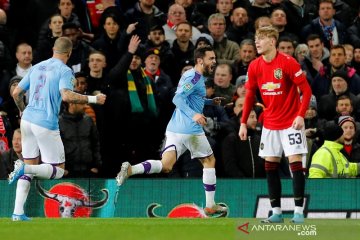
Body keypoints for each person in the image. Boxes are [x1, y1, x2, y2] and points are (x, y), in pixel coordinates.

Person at [115, 46, 227, 216]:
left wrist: (211, 102)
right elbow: (177, 98)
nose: (214, 61)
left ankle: (131, 170)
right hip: (190, 129)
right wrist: (194, 114)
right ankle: (210, 205)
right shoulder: (194, 77)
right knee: (209, 161)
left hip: (175, 128)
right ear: (199, 60)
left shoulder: (192, 77)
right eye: (211, 58)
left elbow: (191, 98)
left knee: (166, 166)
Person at [8, 37, 106, 221]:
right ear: (68, 53)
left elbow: (16, 93)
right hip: (45, 123)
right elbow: (67, 95)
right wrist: (93, 99)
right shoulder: (65, 70)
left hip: (27, 120)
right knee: (58, 170)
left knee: (30, 165)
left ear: (53, 49)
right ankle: (24, 170)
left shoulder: (36, 66)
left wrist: (22, 110)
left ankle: (18, 213)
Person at [239, 26, 312, 224]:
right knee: (269, 166)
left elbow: (306, 90)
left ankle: (298, 212)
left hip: (290, 123)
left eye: (260, 39)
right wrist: (243, 122)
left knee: (295, 164)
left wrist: (300, 115)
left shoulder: (288, 62)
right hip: (270, 123)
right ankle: (276, 212)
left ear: (272, 41)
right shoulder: (254, 66)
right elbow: (249, 96)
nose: (257, 42)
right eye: (256, 39)